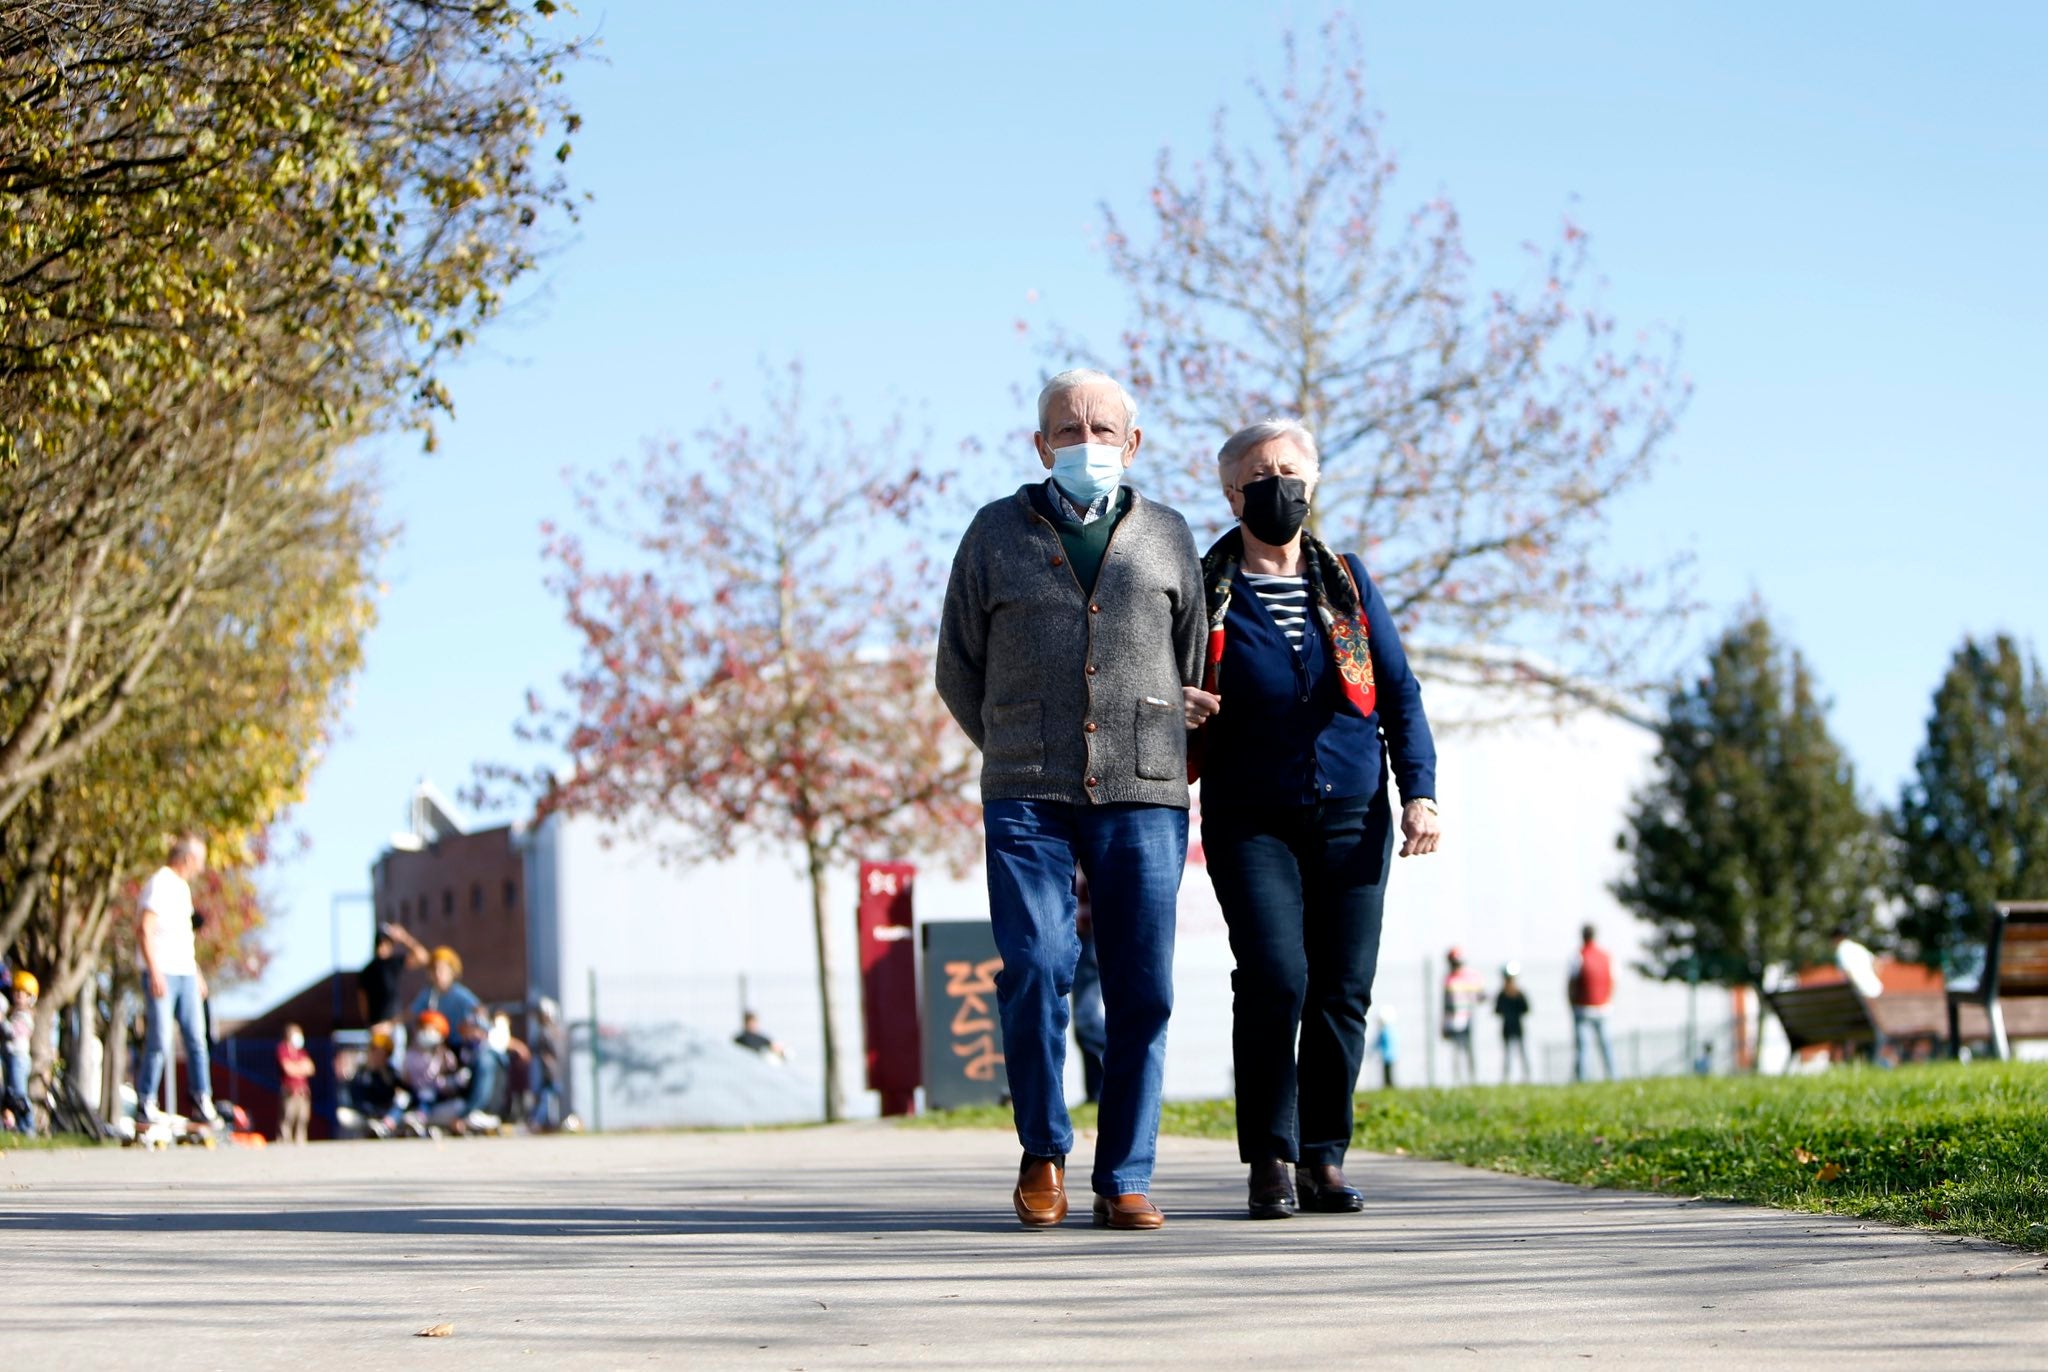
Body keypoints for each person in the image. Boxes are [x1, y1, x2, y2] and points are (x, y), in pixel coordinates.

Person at [936, 368, 1205, 1231]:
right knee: (1035, 967)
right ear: (1040, 442)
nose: (1085, 441)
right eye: (1067, 427)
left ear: (1132, 444)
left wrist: (1158, 732)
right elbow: (957, 666)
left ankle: (1125, 1172)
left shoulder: (1167, 534)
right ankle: (1043, 1152)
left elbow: (1192, 659)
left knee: (1141, 985)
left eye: (1102, 428)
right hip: (1028, 791)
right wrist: (1017, 740)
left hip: (1145, 788)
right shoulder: (993, 535)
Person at [1185, 418, 1440, 1219]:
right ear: (1232, 492)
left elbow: (1398, 694)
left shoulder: (1349, 581)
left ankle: (1324, 1159)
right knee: (1275, 979)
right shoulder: (1200, 589)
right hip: (1250, 818)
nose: (1280, 486)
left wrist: (1420, 792)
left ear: (1315, 481)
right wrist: (1177, 708)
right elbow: (1154, 688)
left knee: (1342, 989)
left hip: (1353, 820)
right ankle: (1269, 1157)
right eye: (1262, 474)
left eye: (1293, 471)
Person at [136, 833, 222, 1126]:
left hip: (185, 972)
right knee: (159, 1038)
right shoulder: (159, 883)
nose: (202, 867)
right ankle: (146, 1100)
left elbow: (184, 939)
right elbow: (144, 929)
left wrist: (196, 973)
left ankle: (201, 1099)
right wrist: (154, 971)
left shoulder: (183, 890)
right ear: (187, 859)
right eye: (200, 860)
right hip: (162, 972)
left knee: (197, 1038)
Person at [1070, 875, 1107, 1104]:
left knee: (1086, 1022)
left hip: (1091, 937)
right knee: (1084, 1023)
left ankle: (1135, 1065)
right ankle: (1096, 1092)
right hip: (1083, 937)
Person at [1833, 924, 1889, 1063]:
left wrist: (1856, 986)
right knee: (1872, 1029)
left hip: (1860, 996)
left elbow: (1848, 973)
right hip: (1875, 992)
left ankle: (1856, 1060)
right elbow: (1877, 962)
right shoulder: (1859, 948)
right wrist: (1870, 978)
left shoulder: (1841, 949)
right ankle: (1872, 1060)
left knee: (1856, 1031)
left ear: (1835, 938)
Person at [361, 922, 429, 1033]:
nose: (382, 946)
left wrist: (404, 938)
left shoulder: (395, 963)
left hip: (394, 1023)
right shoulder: (368, 970)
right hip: (376, 1025)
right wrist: (369, 1024)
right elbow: (363, 1001)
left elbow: (424, 958)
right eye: (380, 943)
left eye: (386, 942)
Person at [1569, 923, 1616, 1082]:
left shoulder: (1579, 956)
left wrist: (1571, 1002)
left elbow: (1572, 982)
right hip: (1604, 1007)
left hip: (1583, 1008)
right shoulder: (1606, 956)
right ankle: (1613, 1076)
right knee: (1607, 1046)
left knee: (1583, 1048)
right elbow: (1614, 980)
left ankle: (1582, 1080)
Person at [1442, 948, 1483, 1086]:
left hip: (1468, 1017)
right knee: (1457, 1050)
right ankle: (1458, 1080)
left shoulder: (1470, 976)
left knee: (1469, 1049)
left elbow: (1480, 996)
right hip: (1454, 1020)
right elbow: (1445, 1004)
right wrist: (1444, 1024)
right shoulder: (1448, 980)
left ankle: (1472, 1079)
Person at [4, 970, 36, 1135]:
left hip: (19, 1059)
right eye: (15, 992)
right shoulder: (13, 1013)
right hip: (10, 1057)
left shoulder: (25, 1017)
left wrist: (2, 1021)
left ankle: (29, 1126)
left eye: (21, 993)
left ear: (30, 997)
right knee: (10, 1094)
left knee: (19, 1093)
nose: (17, 996)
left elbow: (12, 1033)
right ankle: (16, 1125)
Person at [530, 997, 566, 1130]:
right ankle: (543, 1122)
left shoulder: (550, 1032)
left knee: (547, 1096)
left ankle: (538, 1121)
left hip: (551, 1071)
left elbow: (554, 1053)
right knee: (546, 1096)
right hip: (549, 1071)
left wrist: (548, 1063)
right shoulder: (551, 1031)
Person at [276, 1022, 315, 1144]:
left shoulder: (301, 1052)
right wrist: (300, 1068)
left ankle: (300, 1140)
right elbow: (288, 1069)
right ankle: (285, 1140)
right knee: (288, 1116)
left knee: (303, 1117)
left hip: (302, 1090)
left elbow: (311, 1068)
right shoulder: (282, 1049)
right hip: (289, 1089)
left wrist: (297, 1067)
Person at [1495, 966, 1532, 1084]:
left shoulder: (1519, 994)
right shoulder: (1502, 995)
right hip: (1507, 1028)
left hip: (1517, 1027)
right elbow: (1497, 1010)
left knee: (1522, 1053)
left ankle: (1526, 1077)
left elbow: (1526, 1009)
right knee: (1507, 1054)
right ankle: (1506, 1077)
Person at [1369, 1008, 1399, 1090]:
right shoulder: (1393, 1030)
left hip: (1386, 1056)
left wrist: (1370, 1051)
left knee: (1387, 1072)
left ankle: (1388, 1085)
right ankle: (1389, 1085)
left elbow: (1377, 1043)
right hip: (1393, 1056)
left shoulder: (1384, 1031)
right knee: (1389, 1071)